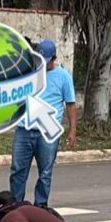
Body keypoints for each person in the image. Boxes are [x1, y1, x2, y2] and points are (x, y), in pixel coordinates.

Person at [9, 39, 77, 207]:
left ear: (54, 58)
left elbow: (70, 104)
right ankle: (15, 206)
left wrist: (72, 130)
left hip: (48, 131)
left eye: (46, 62)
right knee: (17, 170)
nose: (42, 65)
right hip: (25, 129)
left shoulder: (63, 77)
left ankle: (40, 206)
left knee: (45, 172)